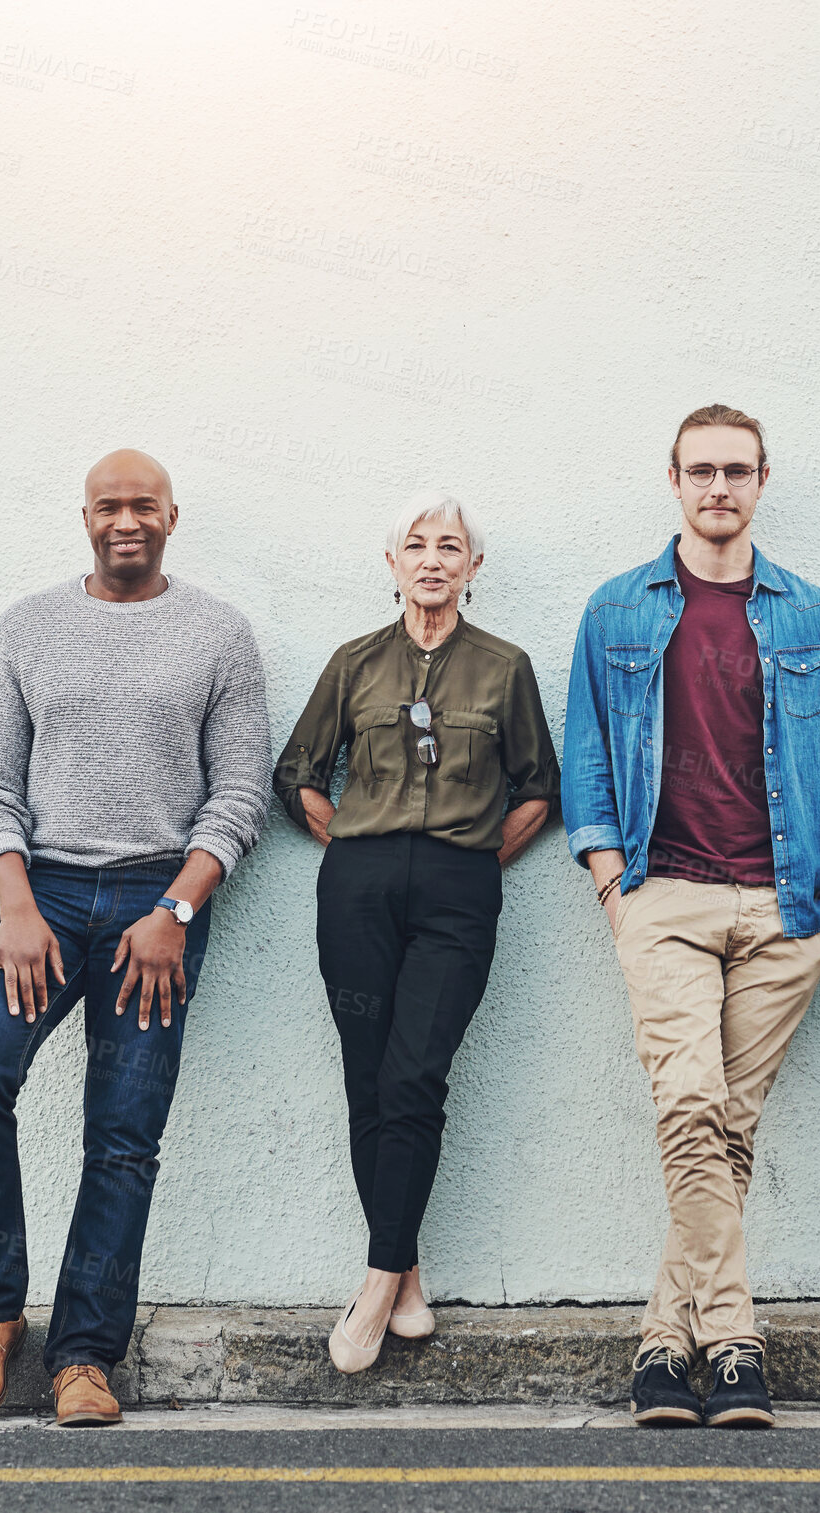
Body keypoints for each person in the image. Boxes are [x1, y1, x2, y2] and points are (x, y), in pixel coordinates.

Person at [0, 451, 271, 1425]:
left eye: (144, 506)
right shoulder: (28, 627)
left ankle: (84, 1355)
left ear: (172, 516)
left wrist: (175, 911)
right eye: (108, 506)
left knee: (124, 1136)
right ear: (85, 516)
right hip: (35, 896)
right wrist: (16, 901)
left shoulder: (218, 634)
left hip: (154, 907)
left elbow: (239, 794)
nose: (127, 519)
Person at [562, 405, 820, 1428]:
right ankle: (733, 1340)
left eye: (736, 469)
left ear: (763, 479)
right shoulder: (615, 611)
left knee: (726, 1127)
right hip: (666, 893)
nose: (718, 486)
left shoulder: (811, 616)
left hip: (783, 904)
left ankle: (661, 1345)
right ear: (674, 479)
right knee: (691, 1107)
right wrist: (612, 882)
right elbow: (588, 758)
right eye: (701, 470)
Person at [274, 490, 559, 1375]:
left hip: (456, 890)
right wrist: (351, 838)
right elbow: (298, 771)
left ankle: (373, 1279)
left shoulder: (505, 667)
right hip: (356, 887)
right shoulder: (353, 662)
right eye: (415, 545)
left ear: (474, 569)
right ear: (391, 563)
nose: (432, 559)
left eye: (450, 547)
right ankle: (407, 1268)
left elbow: (538, 787)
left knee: (414, 1073)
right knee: (370, 1079)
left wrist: (473, 860)